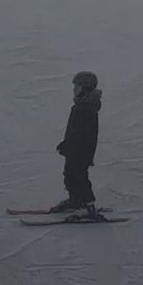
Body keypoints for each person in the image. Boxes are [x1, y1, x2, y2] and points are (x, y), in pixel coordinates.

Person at [52, 72, 103, 218]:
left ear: (85, 87)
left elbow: (82, 133)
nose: (74, 89)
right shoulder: (81, 105)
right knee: (69, 175)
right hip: (74, 148)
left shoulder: (86, 107)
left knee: (79, 175)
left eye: (77, 86)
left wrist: (70, 145)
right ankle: (76, 200)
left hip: (81, 149)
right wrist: (67, 144)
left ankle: (88, 204)